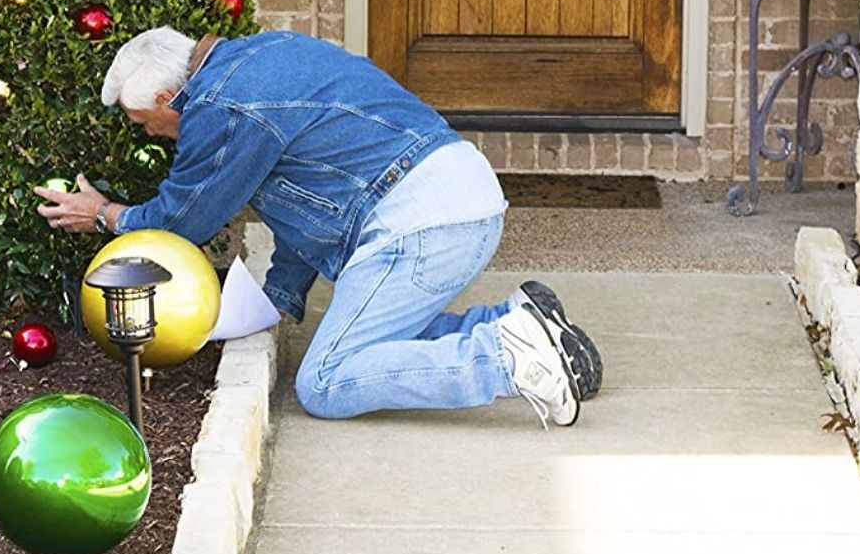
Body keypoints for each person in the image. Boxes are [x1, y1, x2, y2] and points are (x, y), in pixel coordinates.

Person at [35, 28, 602, 427]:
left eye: (146, 123)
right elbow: (306, 209)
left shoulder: (223, 110)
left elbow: (182, 221)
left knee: (328, 381)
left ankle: (507, 358)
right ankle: (518, 323)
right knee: (368, 345)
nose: (153, 135)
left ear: (166, 97)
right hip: (464, 201)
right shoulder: (264, 54)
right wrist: (279, 296)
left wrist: (105, 215)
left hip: (421, 228)